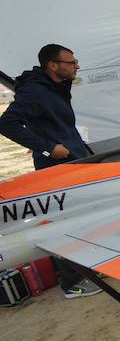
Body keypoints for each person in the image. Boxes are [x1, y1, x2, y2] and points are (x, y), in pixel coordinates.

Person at [0, 44, 100, 299]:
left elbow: (51, 123)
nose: (76, 66)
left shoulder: (56, 87)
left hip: (74, 162)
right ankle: (72, 282)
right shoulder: (35, 91)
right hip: (57, 168)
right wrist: (47, 148)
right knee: (65, 222)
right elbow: (7, 123)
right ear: (52, 65)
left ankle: (88, 269)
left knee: (86, 217)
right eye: (71, 62)